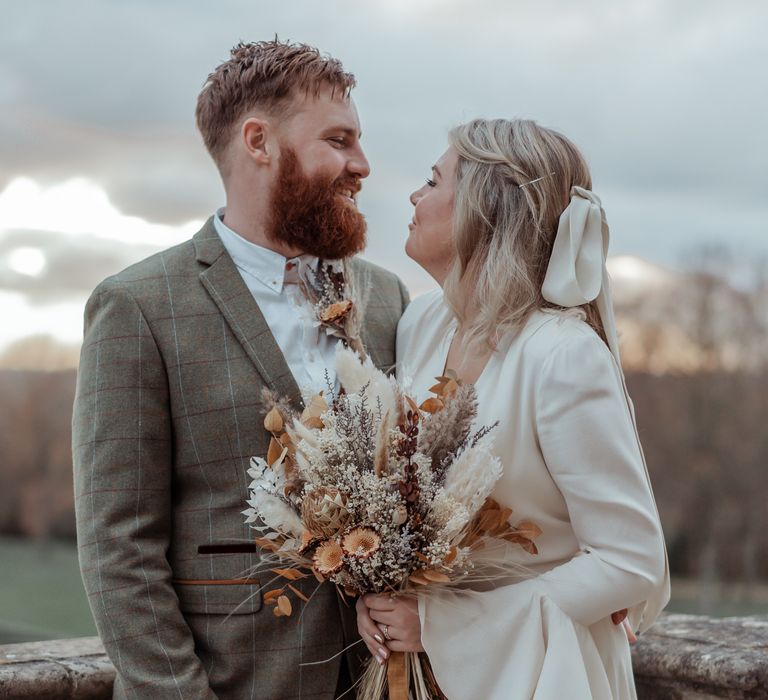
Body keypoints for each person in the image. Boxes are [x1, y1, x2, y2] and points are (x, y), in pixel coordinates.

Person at [72, 39, 409, 700]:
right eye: (338, 141)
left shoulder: (389, 297)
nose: (361, 165)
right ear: (258, 141)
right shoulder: (139, 306)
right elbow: (120, 550)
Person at [356, 118, 670, 698]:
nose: (414, 195)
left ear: (483, 208)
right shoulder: (420, 325)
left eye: (432, 180)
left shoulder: (564, 356)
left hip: (544, 675)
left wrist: (439, 626)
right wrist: (380, 594)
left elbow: (631, 561)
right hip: (423, 678)